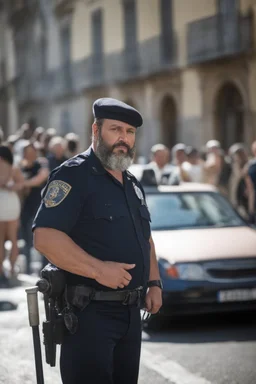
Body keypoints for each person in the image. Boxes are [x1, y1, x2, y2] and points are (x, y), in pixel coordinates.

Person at [33, 98, 162, 384]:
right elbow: (45, 237)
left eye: (129, 132)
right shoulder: (73, 175)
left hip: (131, 313)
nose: (123, 139)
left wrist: (154, 283)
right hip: (90, 315)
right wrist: (99, 270)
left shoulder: (132, 183)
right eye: (115, 129)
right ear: (95, 130)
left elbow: (146, 238)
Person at [19, 142, 49, 274]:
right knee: (26, 240)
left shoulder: (40, 165)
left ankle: (43, 268)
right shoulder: (21, 167)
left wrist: (24, 184)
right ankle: (27, 269)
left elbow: (42, 177)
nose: (30, 155)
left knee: (41, 239)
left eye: (32, 152)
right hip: (24, 208)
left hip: (39, 208)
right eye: (28, 152)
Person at [0, 146, 22, 285]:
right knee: (13, 239)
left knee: (0, 240)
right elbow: (20, 184)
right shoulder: (13, 167)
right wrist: (11, 186)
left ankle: (1, 272)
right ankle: (13, 269)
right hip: (11, 201)